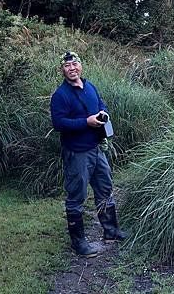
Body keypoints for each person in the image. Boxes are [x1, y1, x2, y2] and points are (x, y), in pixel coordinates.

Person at [50, 50, 126, 258]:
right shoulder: (60, 95)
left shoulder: (89, 86)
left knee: (105, 187)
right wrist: (86, 122)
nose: (72, 68)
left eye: (75, 64)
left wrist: (104, 113)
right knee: (76, 196)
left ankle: (110, 231)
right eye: (67, 65)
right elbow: (58, 123)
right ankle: (79, 243)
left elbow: (101, 103)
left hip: (96, 149)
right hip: (77, 153)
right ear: (62, 69)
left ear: (80, 66)